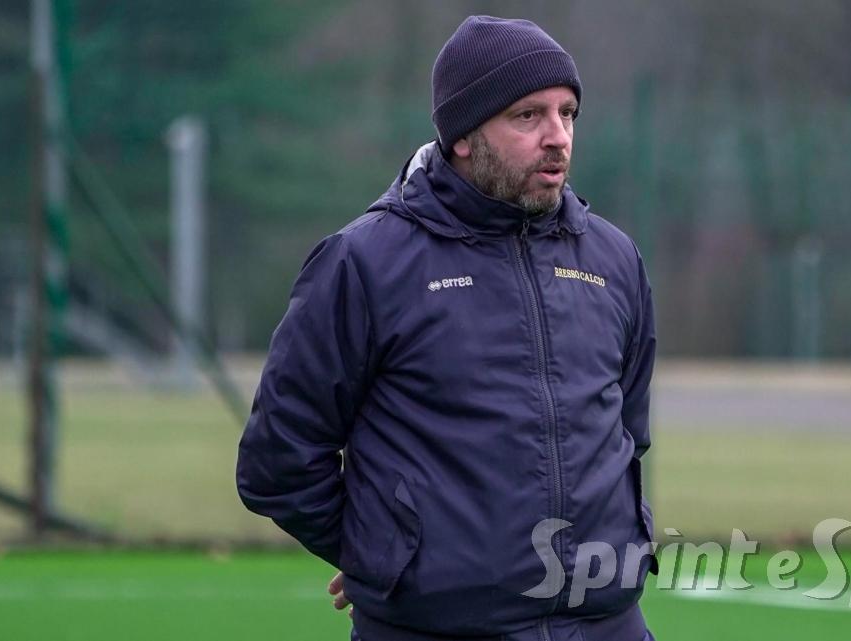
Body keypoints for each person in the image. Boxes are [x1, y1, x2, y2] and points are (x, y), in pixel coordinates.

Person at [237, 15, 657, 641]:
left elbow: (627, 436)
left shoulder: (613, 259)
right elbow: (278, 460)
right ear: (463, 135)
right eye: (528, 116)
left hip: (607, 625)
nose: (558, 137)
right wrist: (386, 556)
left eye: (567, 113)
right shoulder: (365, 262)